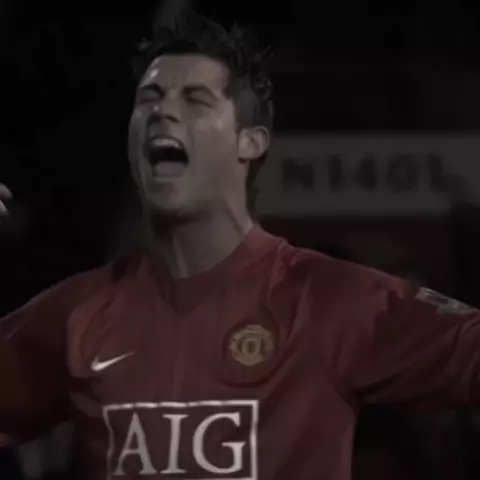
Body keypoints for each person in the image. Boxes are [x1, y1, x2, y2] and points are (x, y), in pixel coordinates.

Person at [1, 14, 480, 480]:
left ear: (250, 142)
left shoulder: (326, 302)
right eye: (149, 98)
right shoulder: (76, 315)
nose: (162, 111)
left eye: (195, 99)